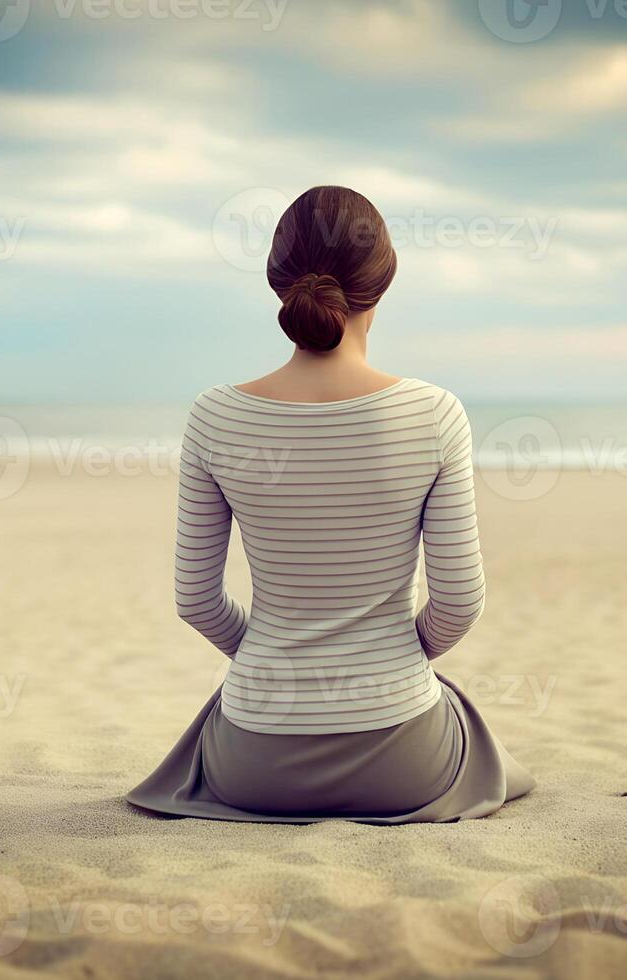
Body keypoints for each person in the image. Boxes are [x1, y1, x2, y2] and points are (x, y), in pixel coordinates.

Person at [127, 186, 534, 823]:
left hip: (255, 766)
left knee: (221, 715)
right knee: (470, 725)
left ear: (277, 281)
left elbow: (196, 601)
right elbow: (459, 603)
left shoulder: (214, 416)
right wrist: (394, 657)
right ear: (385, 281)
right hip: (402, 763)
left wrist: (270, 653)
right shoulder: (433, 414)